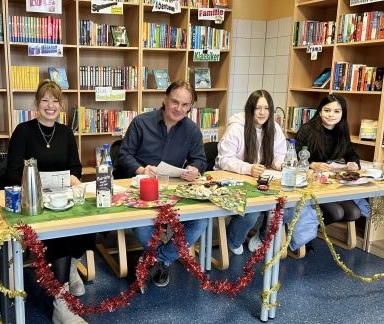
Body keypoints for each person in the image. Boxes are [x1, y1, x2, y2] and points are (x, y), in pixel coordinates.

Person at [5, 79, 92, 324]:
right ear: (36, 103)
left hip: (63, 198)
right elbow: (12, 172)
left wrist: (74, 177)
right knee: (61, 233)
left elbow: (75, 167)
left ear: (61, 106)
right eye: (45, 100)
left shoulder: (65, 132)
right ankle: (61, 304)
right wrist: (33, 181)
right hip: (34, 202)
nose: (50, 105)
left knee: (87, 218)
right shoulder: (23, 131)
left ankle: (72, 265)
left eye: (55, 101)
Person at [118, 80, 208, 289]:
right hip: (142, 188)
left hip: (174, 189)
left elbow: (200, 160)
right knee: (142, 226)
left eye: (185, 105)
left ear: (190, 107)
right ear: (165, 100)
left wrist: (195, 169)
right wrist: (141, 169)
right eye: (174, 102)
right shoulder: (141, 122)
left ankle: (159, 259)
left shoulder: (192, 130)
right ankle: (163, 260)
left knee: (200, 221)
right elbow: (124, 154)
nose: (178, 108)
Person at [215, 90, 287, 255]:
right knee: (252, 208)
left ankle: (262, 237)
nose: (262, 113)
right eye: (258, 108)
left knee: (288, 206)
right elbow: (223, 159)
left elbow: (279, 154)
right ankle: (233, 240)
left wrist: (279, 164)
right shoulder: (237, 128)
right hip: (233, 180)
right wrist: (248, 168)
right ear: (250, 109)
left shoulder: (273, 127)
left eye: (267, 108)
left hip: (261, 179)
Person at [295, 94, 361, 226]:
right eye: (327, 110)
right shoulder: (307, 129)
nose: (331, 115)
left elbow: (350, 152)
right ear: (320, 112)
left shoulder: (341, 130)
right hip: (310, 180)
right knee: (336, 213)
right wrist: (313, 164)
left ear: (343, 113)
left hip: (331, 181)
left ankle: (309, 226)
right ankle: (304, 231)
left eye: (336, 111)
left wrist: (354, 163)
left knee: (354, 213)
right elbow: (295, 155)